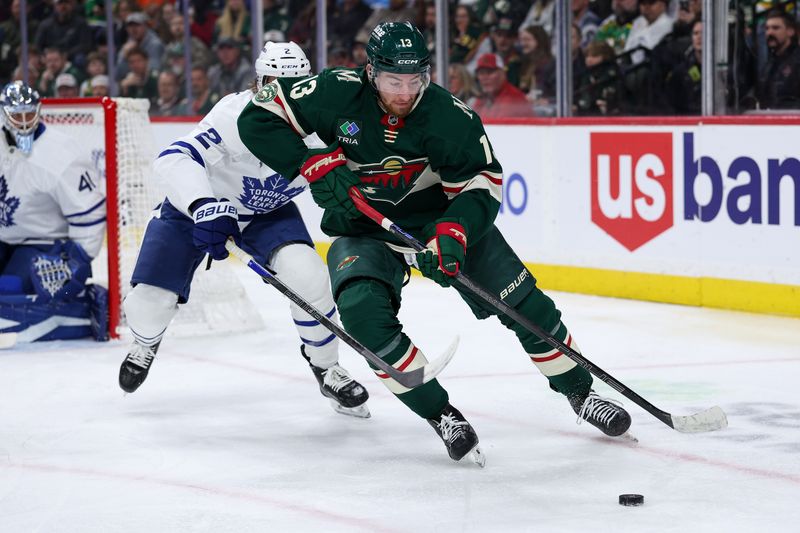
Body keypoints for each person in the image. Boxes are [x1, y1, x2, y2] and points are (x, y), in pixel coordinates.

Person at [237, 21, 632, 465]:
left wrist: (455, 233)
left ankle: (581, 393)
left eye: (414, 79)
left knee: (525, 305)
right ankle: (441, 414)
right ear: (371, 72)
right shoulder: (334, 91)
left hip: (437, 222)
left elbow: (482, 182)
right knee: (363, 316)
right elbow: (257, 117)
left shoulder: (449, 116)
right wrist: (311, 163)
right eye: (393, 80)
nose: (404, 92)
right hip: (362, 228)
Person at [117, 42, 370, 419]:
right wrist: (203, 205)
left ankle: (325, 366)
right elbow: (174, 157)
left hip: (268, 212)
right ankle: (145, 341)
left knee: (310, 277)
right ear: (259, 82)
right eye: (273, 82)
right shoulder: (235, 115)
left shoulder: (328, 121)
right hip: (199, 210)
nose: (282, 92)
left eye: (293, 82)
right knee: (148, 305)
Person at [0, 81, 108, 343]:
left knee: (8, 287)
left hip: (45, 245)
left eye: (29, 113)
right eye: (17, 114)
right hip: (6, 239)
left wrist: (77, 261)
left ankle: (81, 308)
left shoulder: (61, 153)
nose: (24, 121)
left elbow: (90, 215)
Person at [472, 52, 535, 119]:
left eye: (490, 72)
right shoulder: (483, 98)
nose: (485, 77)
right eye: (481, 73)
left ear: (503, 73)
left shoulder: (513, 98)